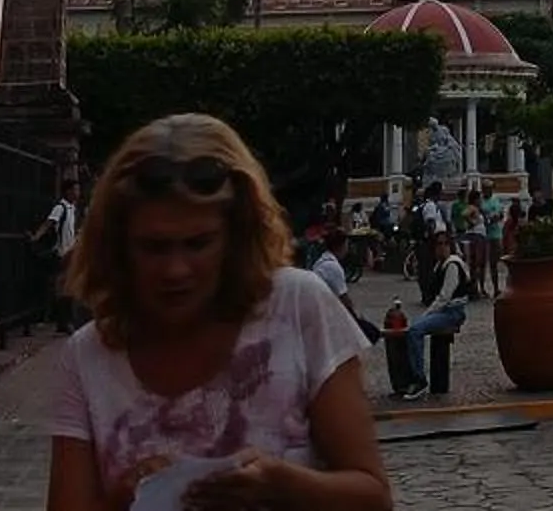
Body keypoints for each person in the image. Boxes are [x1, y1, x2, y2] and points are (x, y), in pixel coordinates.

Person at [46, 113, 392, 508]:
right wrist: (124, 496)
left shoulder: (298, 307)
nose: (175, 270)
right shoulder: (86, 358)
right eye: (154, 247)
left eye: (198, 244)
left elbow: (374, 496)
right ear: (118, 246)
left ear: (236, 235)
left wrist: (284, 485)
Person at [396, 228, 475, 400]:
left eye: (445, 244)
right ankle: (414, 375)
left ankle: (419, 379)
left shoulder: (452, 265)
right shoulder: (441, 265)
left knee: (415, 330)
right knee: (414, 328)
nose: (442, 248)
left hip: (452, 312)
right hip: (447, 311)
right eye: (439, 244)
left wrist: (427, 315)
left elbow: (444, 297)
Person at [34, 174, 86, 335]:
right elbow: (50, 223)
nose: (78, 193)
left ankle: (64, 320)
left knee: (67, 287)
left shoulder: (73, 209)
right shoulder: (61, 208)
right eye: (75, 190)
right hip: (61, 253)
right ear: (68, 191)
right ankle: (62, 320)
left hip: (70, 253)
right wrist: (37, 236)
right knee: (62, 288)